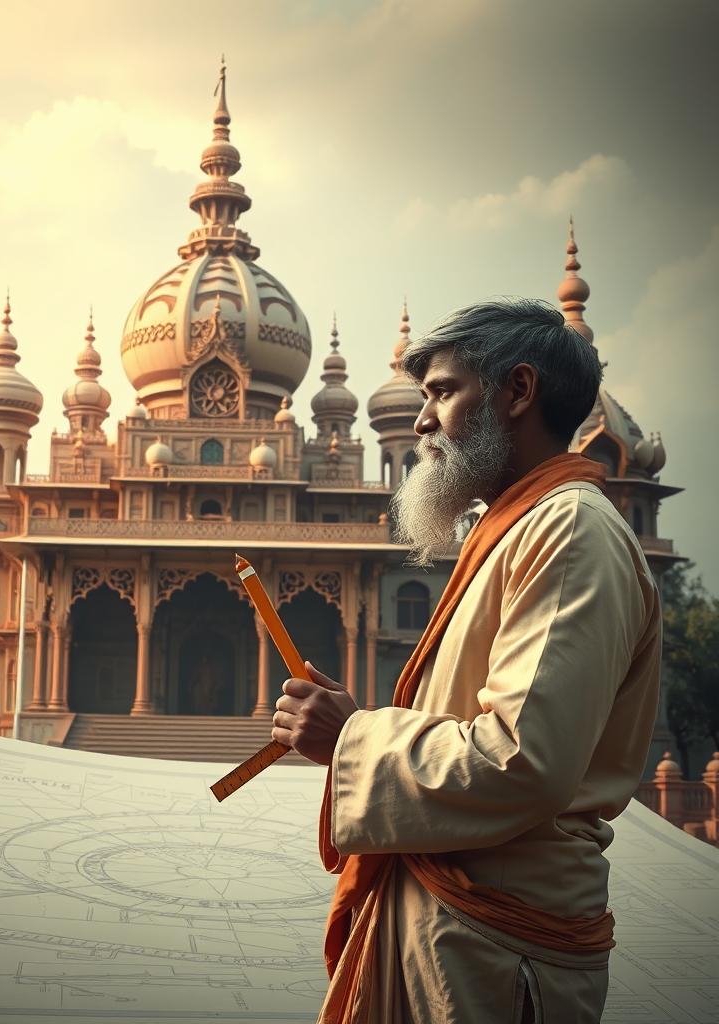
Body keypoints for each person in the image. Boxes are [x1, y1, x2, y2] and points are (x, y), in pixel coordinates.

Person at [271, 299, 662, 1024]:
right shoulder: (515, 528)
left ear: (518, 392)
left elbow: (520, 759)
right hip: (461, 929)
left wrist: (352, 738)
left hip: (495, 946)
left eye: (444, 392)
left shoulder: (570, 530)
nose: (420, 421)